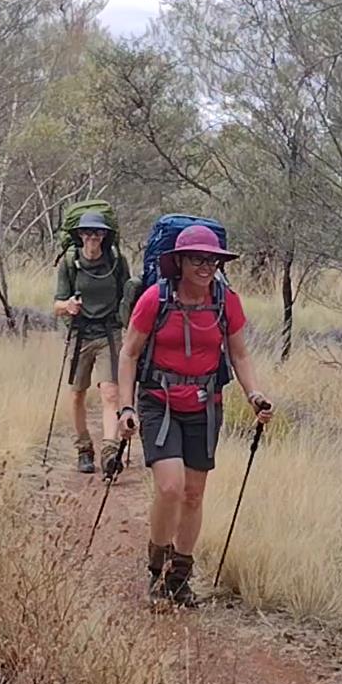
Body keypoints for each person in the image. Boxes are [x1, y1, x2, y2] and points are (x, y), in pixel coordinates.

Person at [116, 223, 275, 607]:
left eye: (212, 260)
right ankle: (157, 566)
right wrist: (125, 407)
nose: (206, 267)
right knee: (169, 487)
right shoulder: (155, 298)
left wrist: (253, 393)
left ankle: (179, 579)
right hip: (159, 401)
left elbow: (239, 353)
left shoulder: (225, 300)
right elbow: (129, 353)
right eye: (197, 259)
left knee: (193, 493)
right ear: (181, 262)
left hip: (205, 405)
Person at [53, 211, 133, 474]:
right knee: (77, 394)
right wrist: (69, 306)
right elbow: (57, 305)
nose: (92, 238)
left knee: (110, 393)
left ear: (104, 236)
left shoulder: (117, 262)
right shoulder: (69, 263)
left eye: (97, 233)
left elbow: (128, 297)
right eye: (87, 233)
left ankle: (110, 452)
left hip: (109, 333)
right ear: (79, 235)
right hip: (80, 334)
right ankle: (84, 448)